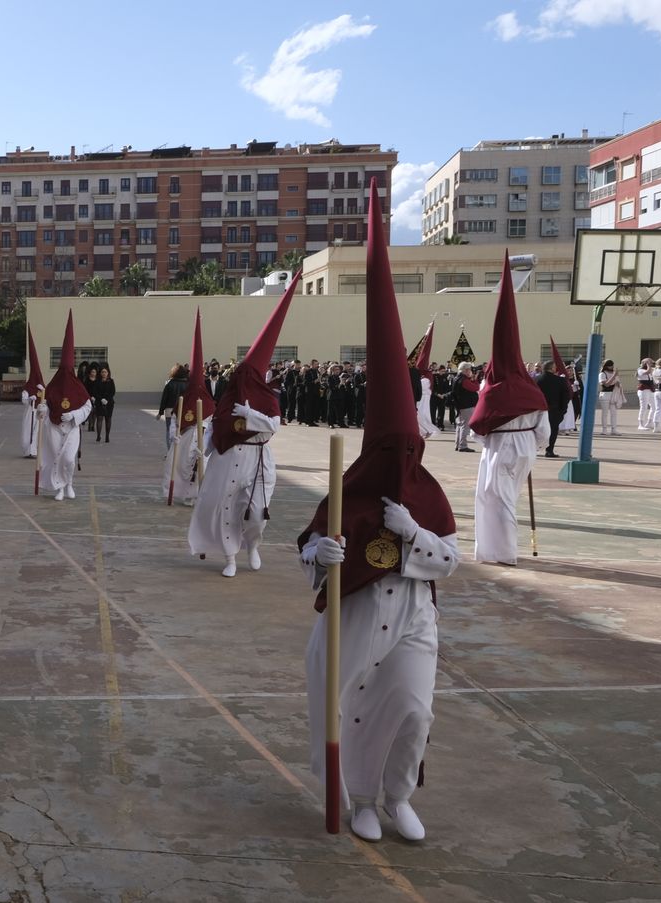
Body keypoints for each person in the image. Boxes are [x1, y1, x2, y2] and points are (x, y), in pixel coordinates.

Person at [299, 183, 458, 841]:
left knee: (413, 710)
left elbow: (449, 560)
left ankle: (399, 796)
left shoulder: (428, 496)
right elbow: (308, 547)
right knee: (353, 710)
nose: (398, 458)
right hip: (359, 616)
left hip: (415, 617)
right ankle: (359, 798)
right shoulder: (349, 488)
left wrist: (413, 532)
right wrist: (322, 556)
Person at [189, 273, 299, 577]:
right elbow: (216, 427)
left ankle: (253, 544)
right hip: (228, 459)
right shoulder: (227, 399)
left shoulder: (267, 399)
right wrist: (204, 447)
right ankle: (230, 557)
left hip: (259, 459)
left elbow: (273, 426)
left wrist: (252, 416)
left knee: (256, 514)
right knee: (225, 510)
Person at [469, 256, 551, 566]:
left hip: (501, 447)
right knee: (505, 497)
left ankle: (502, 552)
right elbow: (544, 430)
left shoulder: (491, 389)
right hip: (525, 447)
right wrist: (533, 445)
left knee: (497, 499)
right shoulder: (532, 390)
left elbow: (479, 426)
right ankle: (494, 550)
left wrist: (493, 442)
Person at [40, 313, 93, 501]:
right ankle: (59, 488)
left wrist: (74, 415)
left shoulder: (79, 387)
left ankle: (69, 483)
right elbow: (45, 405)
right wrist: (42, 410)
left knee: (69, 459)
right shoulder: (53, 385)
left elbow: (87, 407)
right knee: (56, 457)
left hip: (71, 428)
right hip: (54, 426)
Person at [164, 309, 213, 505]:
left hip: (201, 441)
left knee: (202, 467)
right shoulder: (183, 399)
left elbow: (212, 424)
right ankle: (182, 494)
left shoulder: (208, 401)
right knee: (180, 466)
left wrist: (207, 443)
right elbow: (176, 419)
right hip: (185, 439)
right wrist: (174, 436)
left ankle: (197, 495)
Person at [19, 330, 47, 457]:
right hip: (30, 412)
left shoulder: (42, 387)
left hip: (39, 412)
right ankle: (27, 450)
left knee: (37, 432)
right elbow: (23, 400)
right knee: (28, 431)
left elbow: (47, 399)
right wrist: (29, 398)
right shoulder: (28, 387)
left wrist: (43, 394)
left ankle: (34, 451)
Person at [536, 361, 570, 458]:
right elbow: (565, 397)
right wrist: (563, 410)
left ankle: (534, 449)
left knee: (536, 430)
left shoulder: (535, 379)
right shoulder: (560, 380)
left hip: (538, 410)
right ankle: (549, 450)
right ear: (552, 368)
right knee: (553, 430)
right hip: (554, 410)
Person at [451, 362, 480, 452]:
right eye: (469, 369)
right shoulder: (464, 380)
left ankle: (458, 444)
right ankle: (463, 446)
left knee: (460, 425)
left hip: (460, 404)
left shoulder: (457, 378)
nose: (471, 371)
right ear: (466, 370)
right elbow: (476, 388)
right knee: (464, 426)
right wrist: (474, 379)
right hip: (466, 405)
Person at [598, 360, 624, 436]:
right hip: (605, 394)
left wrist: (618, 383)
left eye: (612, 365)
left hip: (613, 394)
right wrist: (614, 376)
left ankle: (614, 429)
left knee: (614, 413)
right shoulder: (602, 374)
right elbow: (606, 385)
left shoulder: (613, 373)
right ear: (605, 366)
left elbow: (618, 384)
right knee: (605, 413)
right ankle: (604, 429)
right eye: (610, 365)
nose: (612, 367)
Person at [91, 365, 116, 442]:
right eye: (102, 372)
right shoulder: (97, 382)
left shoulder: (111, 381)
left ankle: (107, 436)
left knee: (108, 419)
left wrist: (107, 399)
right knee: (99, 418)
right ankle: (98, 436)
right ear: (100, 373)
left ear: (108, 373)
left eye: (105, 372)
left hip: (109, 403)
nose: (104, 373)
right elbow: (95, 392)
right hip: (99, 402)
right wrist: (101, 399)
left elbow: (113, 392)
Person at [637, 358, 657, 431]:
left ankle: (649, 422)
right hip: (643, 390)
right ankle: (640, 424)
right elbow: (647, 372)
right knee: (643, 407)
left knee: (654, 406)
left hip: (651, 390)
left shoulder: (651, 369)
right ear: (645, 363)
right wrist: (648, 365)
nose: (651, 363)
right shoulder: (640, 370)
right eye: (650, 362)